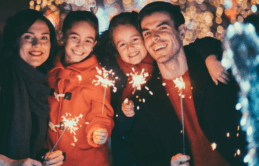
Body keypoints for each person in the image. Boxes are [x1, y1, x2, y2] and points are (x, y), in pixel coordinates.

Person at [95, 11, 231, 166]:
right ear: (115, 48)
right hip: (129, 148)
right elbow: (112, 120)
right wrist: (124, 114)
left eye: (135, 39)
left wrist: (210, 58)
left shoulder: (160, 59)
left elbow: (200, 45)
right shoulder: (112, 74)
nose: (130, 48)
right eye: (122, 44)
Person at [131, 1, 247, 166]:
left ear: (181, 31)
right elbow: (144, 158)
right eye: (147, 33)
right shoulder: (144, 98)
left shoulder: (213, 68)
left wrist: (211, 57)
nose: (154, 38)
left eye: (162, 28)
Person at [0, 9, 64, 166]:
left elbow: (29, 146)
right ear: (15, 41)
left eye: (44, 38)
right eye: (28, 37)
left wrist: (48, 157)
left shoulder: (43, 84)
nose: (37, 45)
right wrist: (8, 162)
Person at [46, 10, 114, 166]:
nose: (80, 46)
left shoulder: (98, 76)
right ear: (62, 37)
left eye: (88, 41)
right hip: (51, 158)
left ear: (94, 44)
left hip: (87, 159)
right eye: (74, 38)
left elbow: (101, 114)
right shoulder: (48, 70)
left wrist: (99, 130)